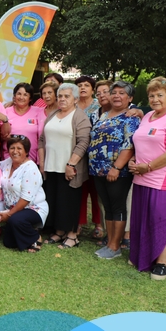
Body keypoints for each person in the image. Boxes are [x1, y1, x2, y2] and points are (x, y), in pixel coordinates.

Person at [128, 76, 166, 280]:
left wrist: (149, 166)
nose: (155, 99)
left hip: (164, 180)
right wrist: (135, 160)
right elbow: (141, 142)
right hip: (142, 177)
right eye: (151, 95)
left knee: (160, 220)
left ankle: (162, 262)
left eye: (160, 95)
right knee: (143, 218)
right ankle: (143, 255)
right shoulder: (147, 117)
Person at [88, 81, 140, 260]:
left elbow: (129, 145)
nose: (117, 96)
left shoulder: (131, 117)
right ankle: (110, 242)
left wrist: (117, 167)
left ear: (130, 98)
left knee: (117, 207)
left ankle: (115, 246)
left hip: (117, 171)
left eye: (122, 93)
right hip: (98, 170)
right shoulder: (102, 116)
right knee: (108, 207)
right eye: (114, 92)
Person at [38, 83, 91, 249]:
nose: (62, 99)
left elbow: (83, 142)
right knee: (55, 200)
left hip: (69, 169)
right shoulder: (53, 114)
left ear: (75, 99)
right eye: (60, 96)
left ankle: (72, 235)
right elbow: (41, 140)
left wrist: (71, 164)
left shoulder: (79, 116)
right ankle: (59, 231)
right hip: (50, 166)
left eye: (66, 96)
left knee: (69, 202)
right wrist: (41, 163)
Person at [0, 136, 48, 253]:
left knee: (16, 220)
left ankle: (35, 237)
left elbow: (26, 199)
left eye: (19, 148)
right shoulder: (7, 163)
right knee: (9, 243)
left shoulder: (31, 169)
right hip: (15, 210)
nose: (15, 151)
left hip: (33, 208)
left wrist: (9, 214)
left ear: (26, 151)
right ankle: (24, 228)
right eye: (12, 148)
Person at [74, 75, 103, 240]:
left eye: (86, 85)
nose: (82, 88)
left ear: (93, 89)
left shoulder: (99, 106)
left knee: (96, 190)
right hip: (77, 154)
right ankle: (80, 222)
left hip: (95, 154)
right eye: (79, 85)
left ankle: (98, 223)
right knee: (80, 189)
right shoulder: (72, 105)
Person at [4, 82, 45, 163]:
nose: (21, 97)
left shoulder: (38, 111)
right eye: (19, 94)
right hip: (9, 159)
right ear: (14, 96)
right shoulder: (6, 111)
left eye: (25, 95)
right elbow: (2, 135)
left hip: (31, 159)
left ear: (30, 98)